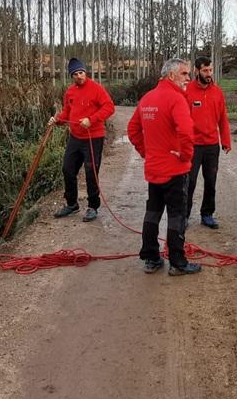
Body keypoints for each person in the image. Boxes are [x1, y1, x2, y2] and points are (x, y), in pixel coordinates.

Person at [127, 58, 202, 276]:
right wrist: (186, 156)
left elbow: (132, 130)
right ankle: (178, 262)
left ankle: (151, 258)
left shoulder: (147, 98)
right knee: (176, 216)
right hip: (175, 170)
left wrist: (146, 152)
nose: (189, 78)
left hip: (155, 169)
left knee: (152, 213)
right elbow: (187, 132)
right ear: (171, 75)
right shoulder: (176, 99)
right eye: (185, 74)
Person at [49, 58, 115, 222]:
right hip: (75, 137)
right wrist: (57, 121)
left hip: (93, 138)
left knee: (91, 172)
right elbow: (66, 113)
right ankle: (72, 204)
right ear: (71, 76)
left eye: (81, 72)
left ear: (85, 72)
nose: (79, 76)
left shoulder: (96, 89)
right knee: (67, 169)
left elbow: (109, 107)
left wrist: (91, 119)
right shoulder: (70, 92)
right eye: (76, 74)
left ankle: (93, 207)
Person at [185, 56, 231, 229]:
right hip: (193, 145)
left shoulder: (217, 92)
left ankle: (207, 214)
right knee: (189, 182)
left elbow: (223, 118)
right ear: (196, 71)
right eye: (205, 70)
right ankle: (185, 215)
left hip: (212, 145)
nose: (209, 73)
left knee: (211, 181)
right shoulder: (187, 91)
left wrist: (225, 140)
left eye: (210, 70)